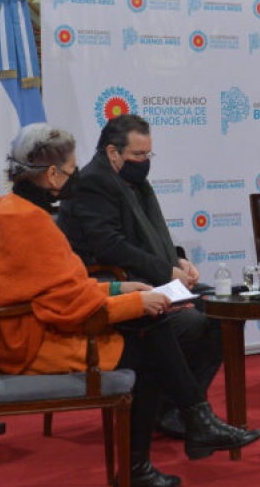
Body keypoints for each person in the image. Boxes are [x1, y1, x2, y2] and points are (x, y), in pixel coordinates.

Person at [0, 123, 260, 487]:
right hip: (34, 343)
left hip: (37, 327)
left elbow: (60, 289)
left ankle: (183, 430)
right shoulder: (30, 221)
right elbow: (66, 303)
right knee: (149, 340)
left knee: (153, 325)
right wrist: (134, 301)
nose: (74, 177)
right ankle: (176, 436)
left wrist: (118, 288)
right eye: (69, 170)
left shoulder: (13, 209)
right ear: (51, 175)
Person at [57, 114, 222, 439]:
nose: (144, 162)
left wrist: (177, 259)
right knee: (194, 324)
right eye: (138, 155)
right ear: (112, 152)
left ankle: (174, 410)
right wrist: (166, 271)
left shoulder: (134, 183)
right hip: (113, 287)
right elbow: (110, 246)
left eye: (148, 155)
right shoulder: (94, 182)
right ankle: (176, 410)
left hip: (145, 279)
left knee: (220, 315)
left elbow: (146, 237)